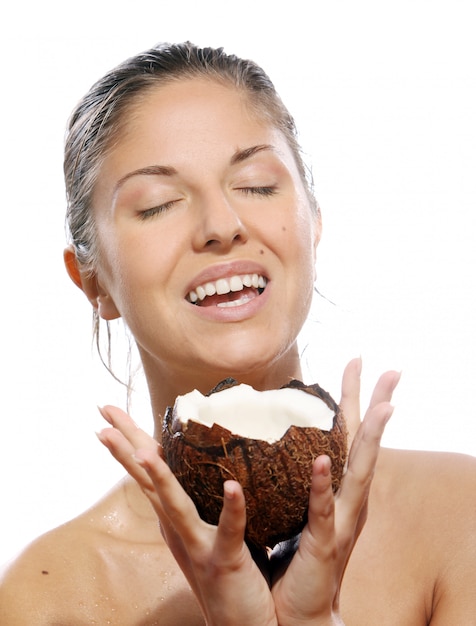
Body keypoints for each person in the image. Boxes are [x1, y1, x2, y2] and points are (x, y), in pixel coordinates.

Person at [0, 41, 474, 626]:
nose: (222, 225)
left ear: (314, 220)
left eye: (256, 184)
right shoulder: (49, 598)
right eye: (157, 205)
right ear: (91, 280)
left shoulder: (460, 517)